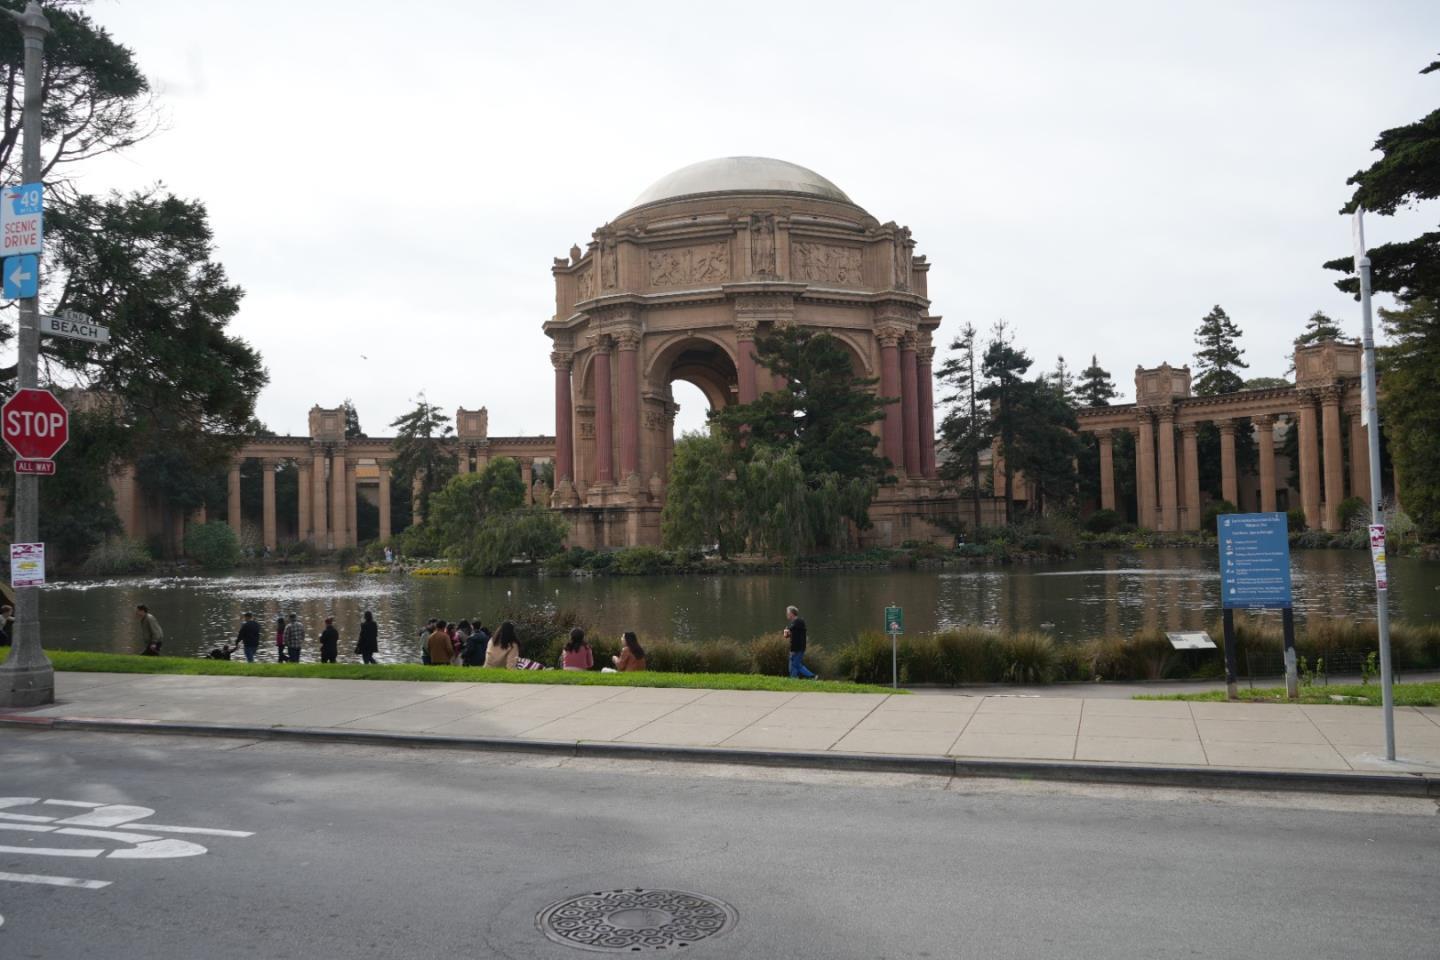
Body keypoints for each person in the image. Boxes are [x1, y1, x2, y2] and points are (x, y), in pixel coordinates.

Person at [784, 605, 816, 679]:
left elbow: (788, 631)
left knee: (796, 664)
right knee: (792, 666)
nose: (786, 614)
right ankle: (794, 679)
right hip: (794, 648)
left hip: (798, 648)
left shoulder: (798, 621)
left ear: (792, 613)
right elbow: (787, 635)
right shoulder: (795, 623)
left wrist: (785, 631)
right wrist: (786, 632)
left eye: (787, 613)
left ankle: (812, 676)